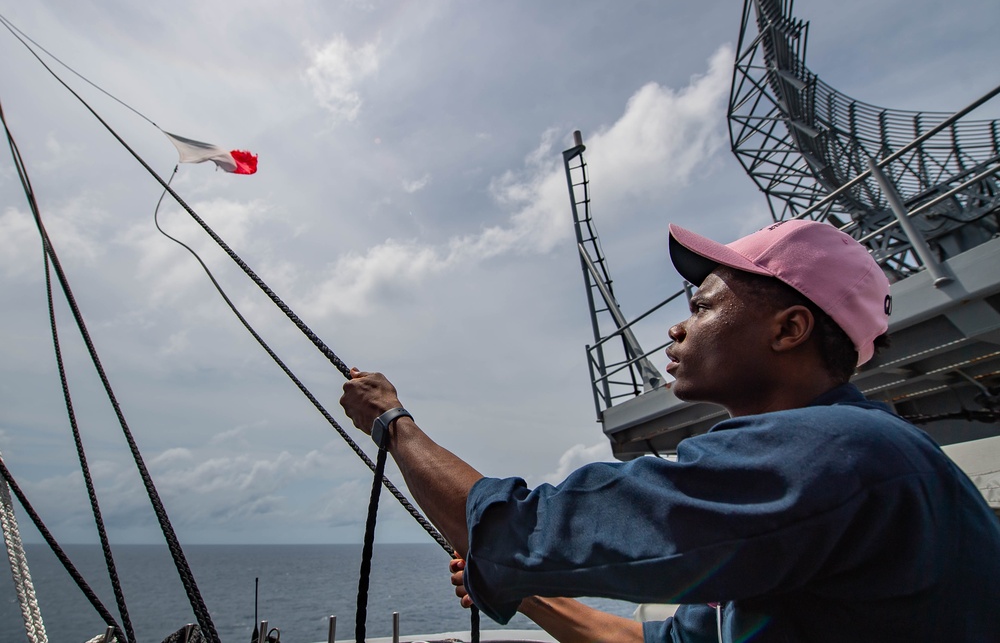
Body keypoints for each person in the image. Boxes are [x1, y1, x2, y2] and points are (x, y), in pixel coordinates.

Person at [340, 219, 1000, 642]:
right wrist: (533, 594)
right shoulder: (851, 459)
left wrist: (394, 423)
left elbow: (519, 531)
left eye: (702, 306)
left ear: (789, 328)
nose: (677, 327)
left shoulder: (834, 453)